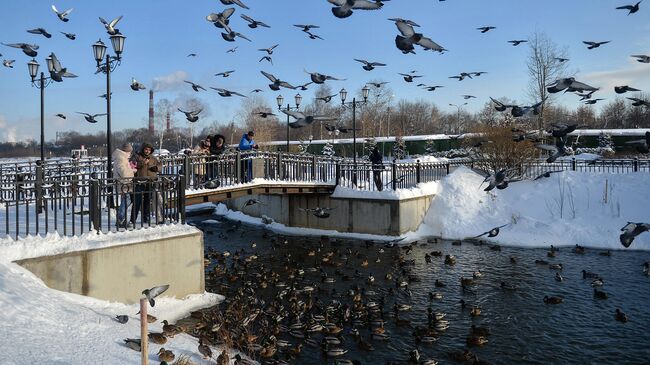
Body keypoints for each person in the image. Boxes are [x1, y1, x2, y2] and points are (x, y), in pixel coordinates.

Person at [131, 142, 162, 225]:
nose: (147, 151)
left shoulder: (153, 158)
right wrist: (142, 163)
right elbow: (133, 166)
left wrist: (157, 168)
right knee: (137, 201)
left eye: (149, 150)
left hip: (150, 182)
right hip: (140, 182)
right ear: (143, 149)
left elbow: (160, 165)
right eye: (146, 149)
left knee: (147, 202)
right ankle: (132, 220)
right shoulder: (137, 157)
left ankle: (146, 218)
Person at [112, 143, 135, 228]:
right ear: (127, 151)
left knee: (126, 200)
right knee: (126, 201)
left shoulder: (122, 158)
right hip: (123, 184)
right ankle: (121, 220)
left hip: (124, 184)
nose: (130, 153)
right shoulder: (121, 159)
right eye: (130, 151)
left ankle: (121, 219)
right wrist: (133, 171)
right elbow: (124, 173)